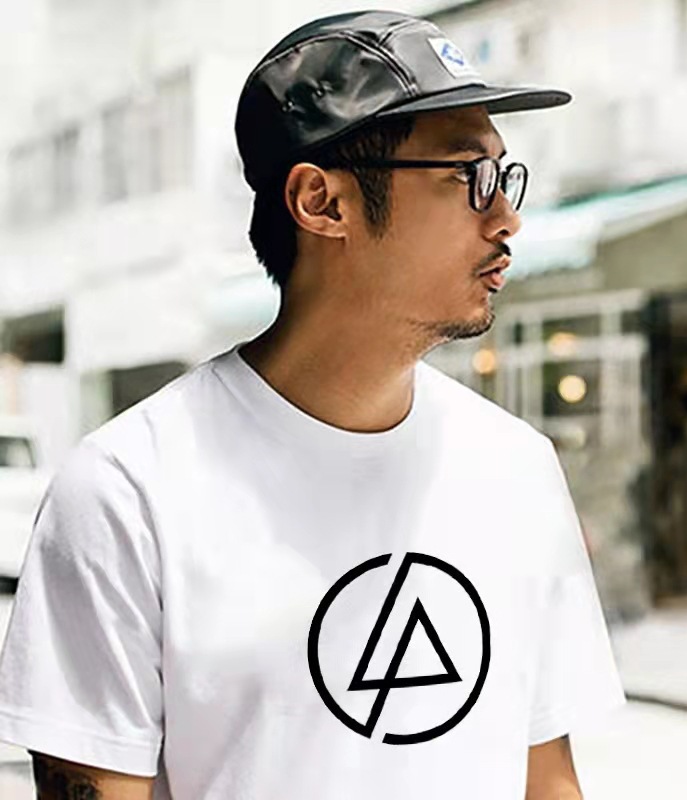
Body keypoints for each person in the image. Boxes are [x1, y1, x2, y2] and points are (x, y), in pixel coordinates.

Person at [0, 10, 626, 799]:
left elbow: (548, 783)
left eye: (505, 177)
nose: (507, 217)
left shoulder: (517, 470)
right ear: (322, 202)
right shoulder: (129, 493)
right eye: (469, 176)